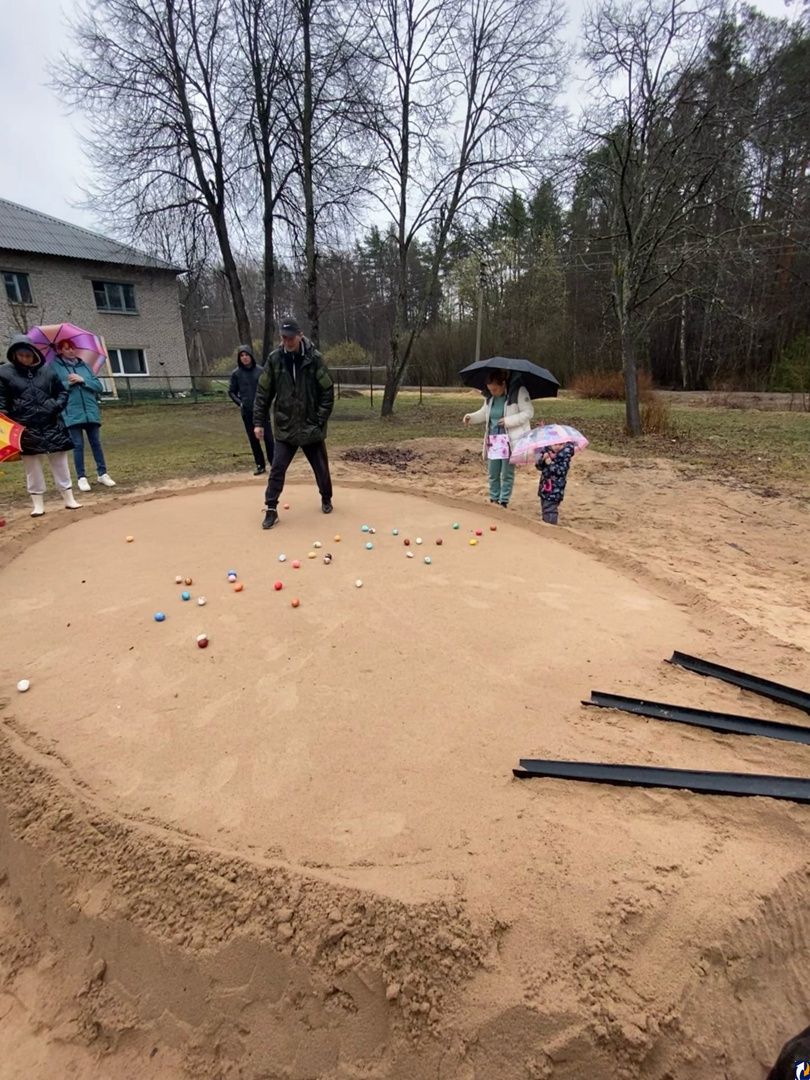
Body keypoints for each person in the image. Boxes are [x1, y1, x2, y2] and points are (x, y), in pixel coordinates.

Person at [253, 318, 335, 530]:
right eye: (283, 337)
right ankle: (271, 508)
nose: (287, 341)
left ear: (300, 335)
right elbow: (263, 393)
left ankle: (326, 498)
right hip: (285, 426)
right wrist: (259, 422)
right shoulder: (275, 359)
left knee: (321, 468)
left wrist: (319, 419)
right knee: (277, 469)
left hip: (310, 426)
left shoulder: (314, 359)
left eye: (290, 337)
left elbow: (327, 390)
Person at [0, 335, 82, 516]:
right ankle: (38, 503)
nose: (24, 358)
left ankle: (69, 498)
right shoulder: (4, 373)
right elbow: (2, 401)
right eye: (20, 355)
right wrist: (8, 421)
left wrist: (55, 406)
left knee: (60, 462)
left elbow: (61, 392)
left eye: (28, 355)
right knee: (32, 466)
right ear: (14, 354)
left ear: (34, 353)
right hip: (24, 427)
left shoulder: (47, 371)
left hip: (52, 423)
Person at [52, 339, 116, 491]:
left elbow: (98, 386)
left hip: (90, 410)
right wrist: (68, 384)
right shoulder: (54, 367)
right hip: (72, 411)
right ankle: (81, 477)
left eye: (73, 348)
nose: (71, 351)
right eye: (67, 348)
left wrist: (83, 380)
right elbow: (53, 388)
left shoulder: (85, 366)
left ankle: (102, 474)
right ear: (60, 350)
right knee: (78, 445)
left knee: (96, 443)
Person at [462, 369, 533, 508]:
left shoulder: (518, 392)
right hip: (494, 438)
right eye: (490, 389)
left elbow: (528, 412)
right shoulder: (490, 397)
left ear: (503, 384)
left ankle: (504, 501)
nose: (492, 392)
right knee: (493, 471)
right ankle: (493, 499)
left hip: (510, 438)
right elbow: (485, 413)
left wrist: (509, 420)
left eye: (495, 389)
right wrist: (471, 418)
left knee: (507, 472)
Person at [228, 344, 274, 475]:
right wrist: (240, 403)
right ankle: (260, 465)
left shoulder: (260, 371)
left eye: (246, 355)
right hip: (247, 411)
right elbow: (231, 392)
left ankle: (273, 463)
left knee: (269, 439)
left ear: (251, 356)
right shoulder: (236, 374)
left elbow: (268, 389)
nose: (244, 358)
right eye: (241, 356)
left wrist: (266, 403)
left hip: (262, 411)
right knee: (253, 439)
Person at [535, 441, 576, 524]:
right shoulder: (546, 451)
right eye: (555, 444)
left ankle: (550, 527)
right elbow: (539, 466)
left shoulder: (565, 455)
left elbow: (561, 472)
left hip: (556, 488)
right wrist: (543, 459)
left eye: (561, 444)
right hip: (545, 486)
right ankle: (546, 524)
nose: (557, 446)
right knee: (545, 506)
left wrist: (550, 463)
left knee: (550, 509)